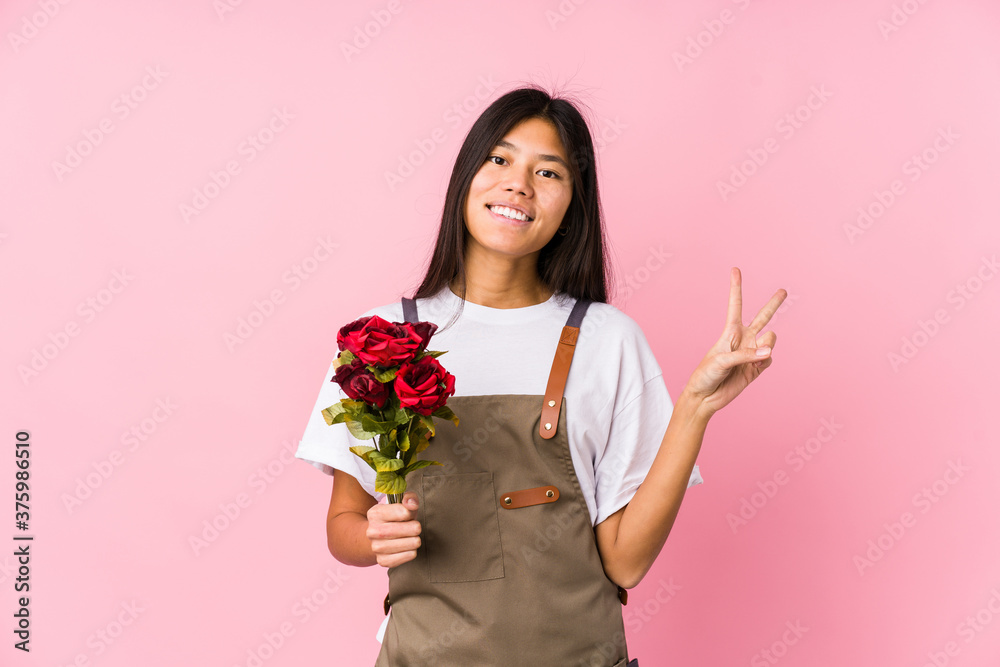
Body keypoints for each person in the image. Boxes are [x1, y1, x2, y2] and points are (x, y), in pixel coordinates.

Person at [295, 85, 786, 666]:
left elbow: (625, 562)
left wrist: (695, 409)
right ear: (465, 176)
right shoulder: (382, 339)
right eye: (499, 159)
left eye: (548, 172)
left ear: (574, 202)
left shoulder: (609, 340)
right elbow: (342, 526)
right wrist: (374, 533)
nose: (519, 185)